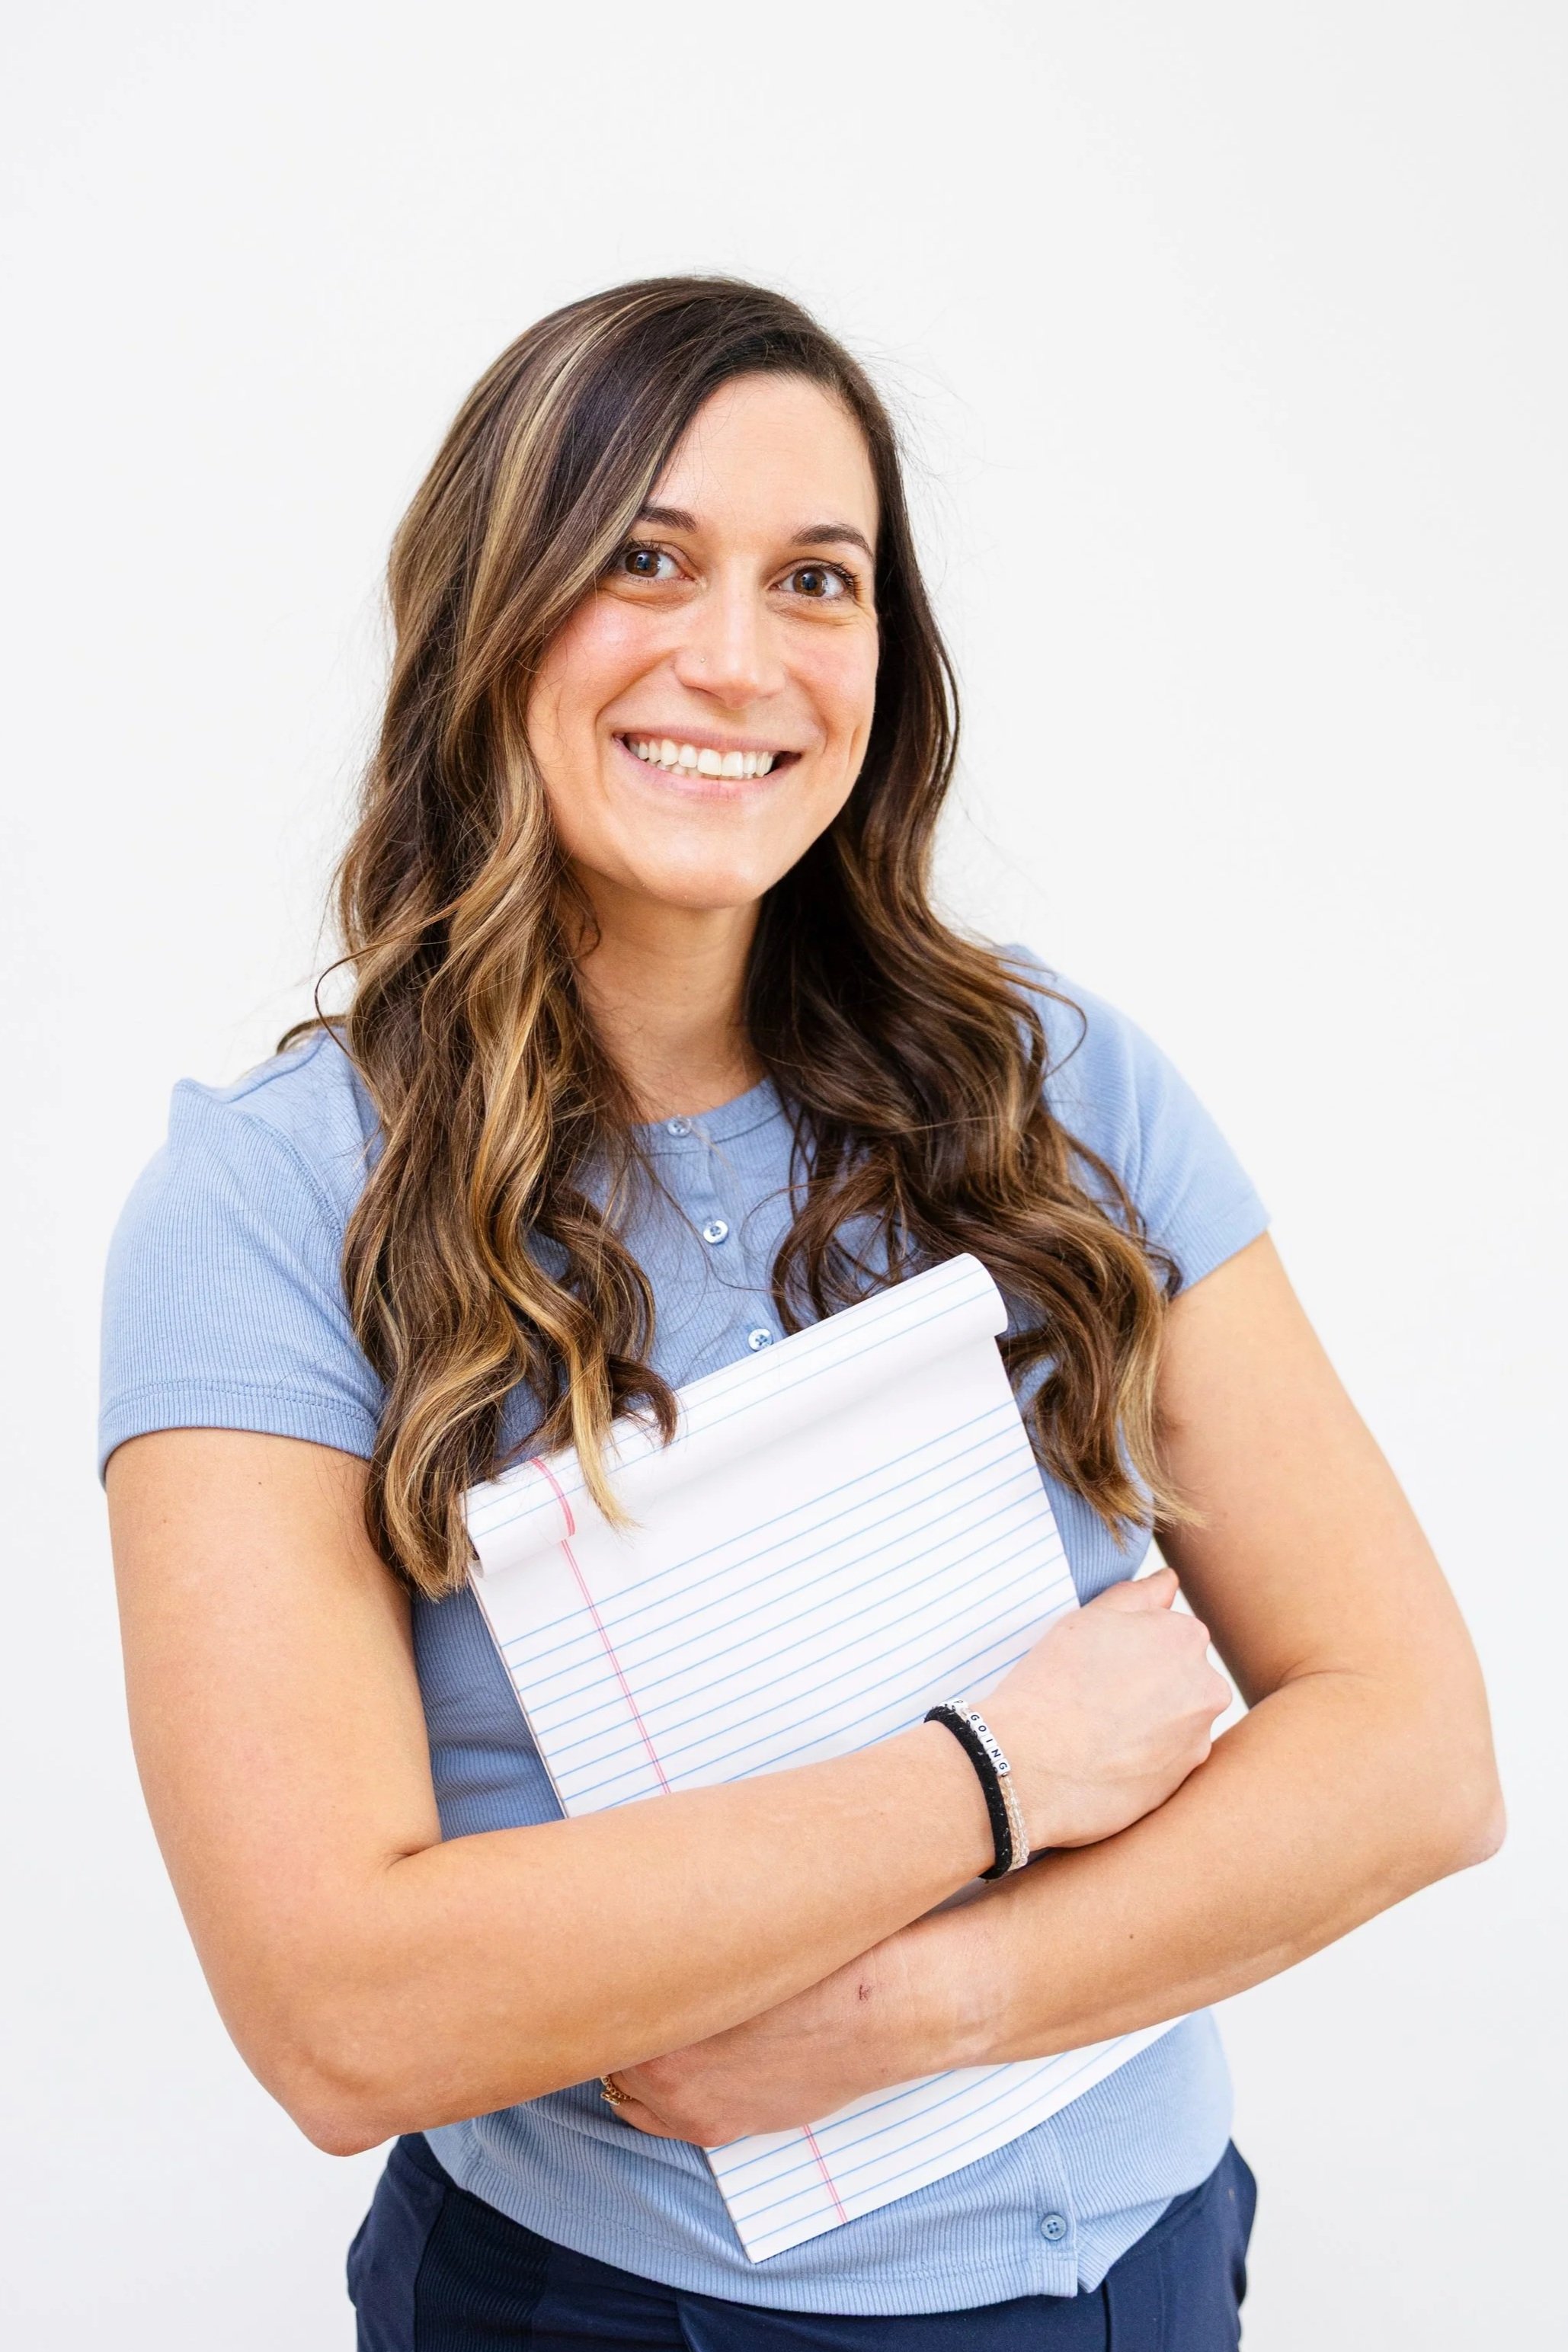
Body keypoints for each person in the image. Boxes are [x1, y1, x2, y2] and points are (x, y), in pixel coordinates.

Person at [100, 277, 1502, 2350]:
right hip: (619, 2307)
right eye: (643, 559)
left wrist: (909, 2010)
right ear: (491, 609)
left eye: (815, 579)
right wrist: (993, 1777)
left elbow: (1414, 1756)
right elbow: (333, 2013)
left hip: (1143, 2272)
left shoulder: (1053, 1084)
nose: (733, 658)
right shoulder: (275, 1203)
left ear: (883, 658)